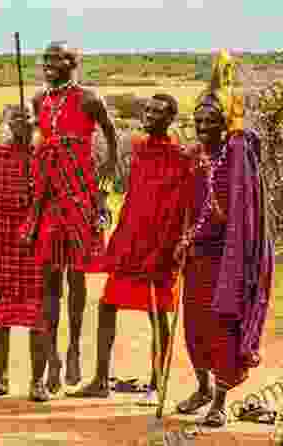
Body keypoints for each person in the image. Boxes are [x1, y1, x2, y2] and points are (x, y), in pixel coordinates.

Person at [69, 94, 195, 404]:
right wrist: (119, 238)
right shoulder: (138, 150)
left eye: (158, 112)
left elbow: (177, 209)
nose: (150, 115)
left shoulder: (180, 157)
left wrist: (164, 251)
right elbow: (133, 197)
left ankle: (157, 385)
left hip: (159, 246)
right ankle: (100, 380)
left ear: (170, 119)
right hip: (131, 242)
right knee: (107, 305)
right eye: (148, 109)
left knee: (158, 315)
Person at [172, 50, 274, 427]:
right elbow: (188, 203)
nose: (202, 126)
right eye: (197, 120)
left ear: (223, 124)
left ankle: (218, 401)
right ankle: (201, 387)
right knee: (194, 327)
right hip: (198, 256)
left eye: (210, 120)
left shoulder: (236, 154)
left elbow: (239, 211)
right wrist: (184, 238)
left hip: (227, 259)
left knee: (221, 329)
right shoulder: (197, 156)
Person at [21, 41, 119, 393]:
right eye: (45, 58)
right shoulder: (39, 100)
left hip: (80, 193)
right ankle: (51, 362)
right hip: (49, 195)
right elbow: (37, 137)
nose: (49, 63)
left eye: (57, 58)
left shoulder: (89, 98)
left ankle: (75, 346)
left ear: (72, 62)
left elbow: (111, 137)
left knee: (77, 279)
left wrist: (105, 180)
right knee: (49, 281)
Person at [0, 104, 51, 402]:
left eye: (28, 118)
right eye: (15, 118)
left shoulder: (43, 159)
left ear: (36, 124)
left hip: (34, 245)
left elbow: (51, 202)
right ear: (7, 123)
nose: (22, 123)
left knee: (37, 316)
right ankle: (0, 377)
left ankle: (37, 382)